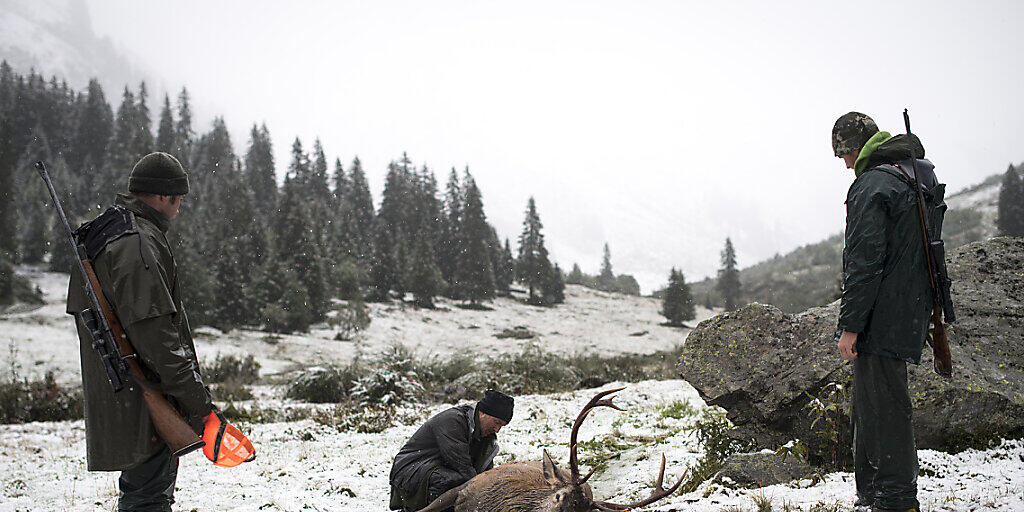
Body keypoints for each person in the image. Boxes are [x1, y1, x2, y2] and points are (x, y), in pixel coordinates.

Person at [67, 152, 213, 512]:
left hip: (127, 384)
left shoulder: (109, 232)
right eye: (178, 199)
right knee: (148, 495)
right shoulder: (137, 242)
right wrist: (198, 403)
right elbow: (157, 334)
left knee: (143, 490)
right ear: (162, 196)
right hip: (144, 388)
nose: (179, 209)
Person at [832, 112, 946, 512]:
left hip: (883, 311)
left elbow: (864, 262)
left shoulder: (873, 184)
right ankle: (872, 495)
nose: (844, 162)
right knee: (872, 401)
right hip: (912, 305)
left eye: (843, 152)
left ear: (855, 146)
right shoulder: (915, 175)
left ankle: (896, 498)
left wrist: (850, 326)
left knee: (885, 406)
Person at [389, 389, 514, 511]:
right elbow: (462, 465)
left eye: (501, 426)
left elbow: (484, 471)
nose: (497, 430)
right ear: (483, 413)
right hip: (411, 469)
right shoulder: (452, 420)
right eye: (496, 422)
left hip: (439, 467)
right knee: (452, 480)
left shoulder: (485, 434)